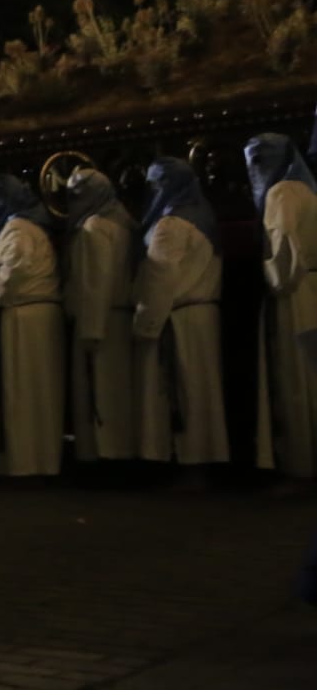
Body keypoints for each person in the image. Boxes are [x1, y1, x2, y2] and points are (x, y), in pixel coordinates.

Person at [133, 157, 227, 473]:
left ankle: (189, 464)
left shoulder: (170, 225)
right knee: (201, 392)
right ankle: (201, 461)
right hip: (201, 316)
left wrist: (147, 323)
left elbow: (160, 277)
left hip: (177, 317)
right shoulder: (203, 216)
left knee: (183, 391)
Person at [0, 175, 66, 478]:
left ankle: (24, 464)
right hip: (30, 316)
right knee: (33, 391)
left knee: (22, 391)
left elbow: (12, 270)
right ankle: (34, 462)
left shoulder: (18, 228)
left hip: (22, 317)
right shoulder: (27, 226)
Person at [246, 135, 317, 488]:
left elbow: (284, 250)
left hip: (295, 292)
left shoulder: (282, 193)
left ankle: (299, 468)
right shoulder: (306, 188)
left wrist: (271, 280)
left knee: (293, 379)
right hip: (310, 287)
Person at [61, 170, 139, 466]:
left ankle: (105, 458)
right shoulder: (120, 222)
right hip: (117, 318)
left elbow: (95, 282)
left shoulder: (95, 226)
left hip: (100, 321)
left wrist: (91, 329)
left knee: (101, 392)